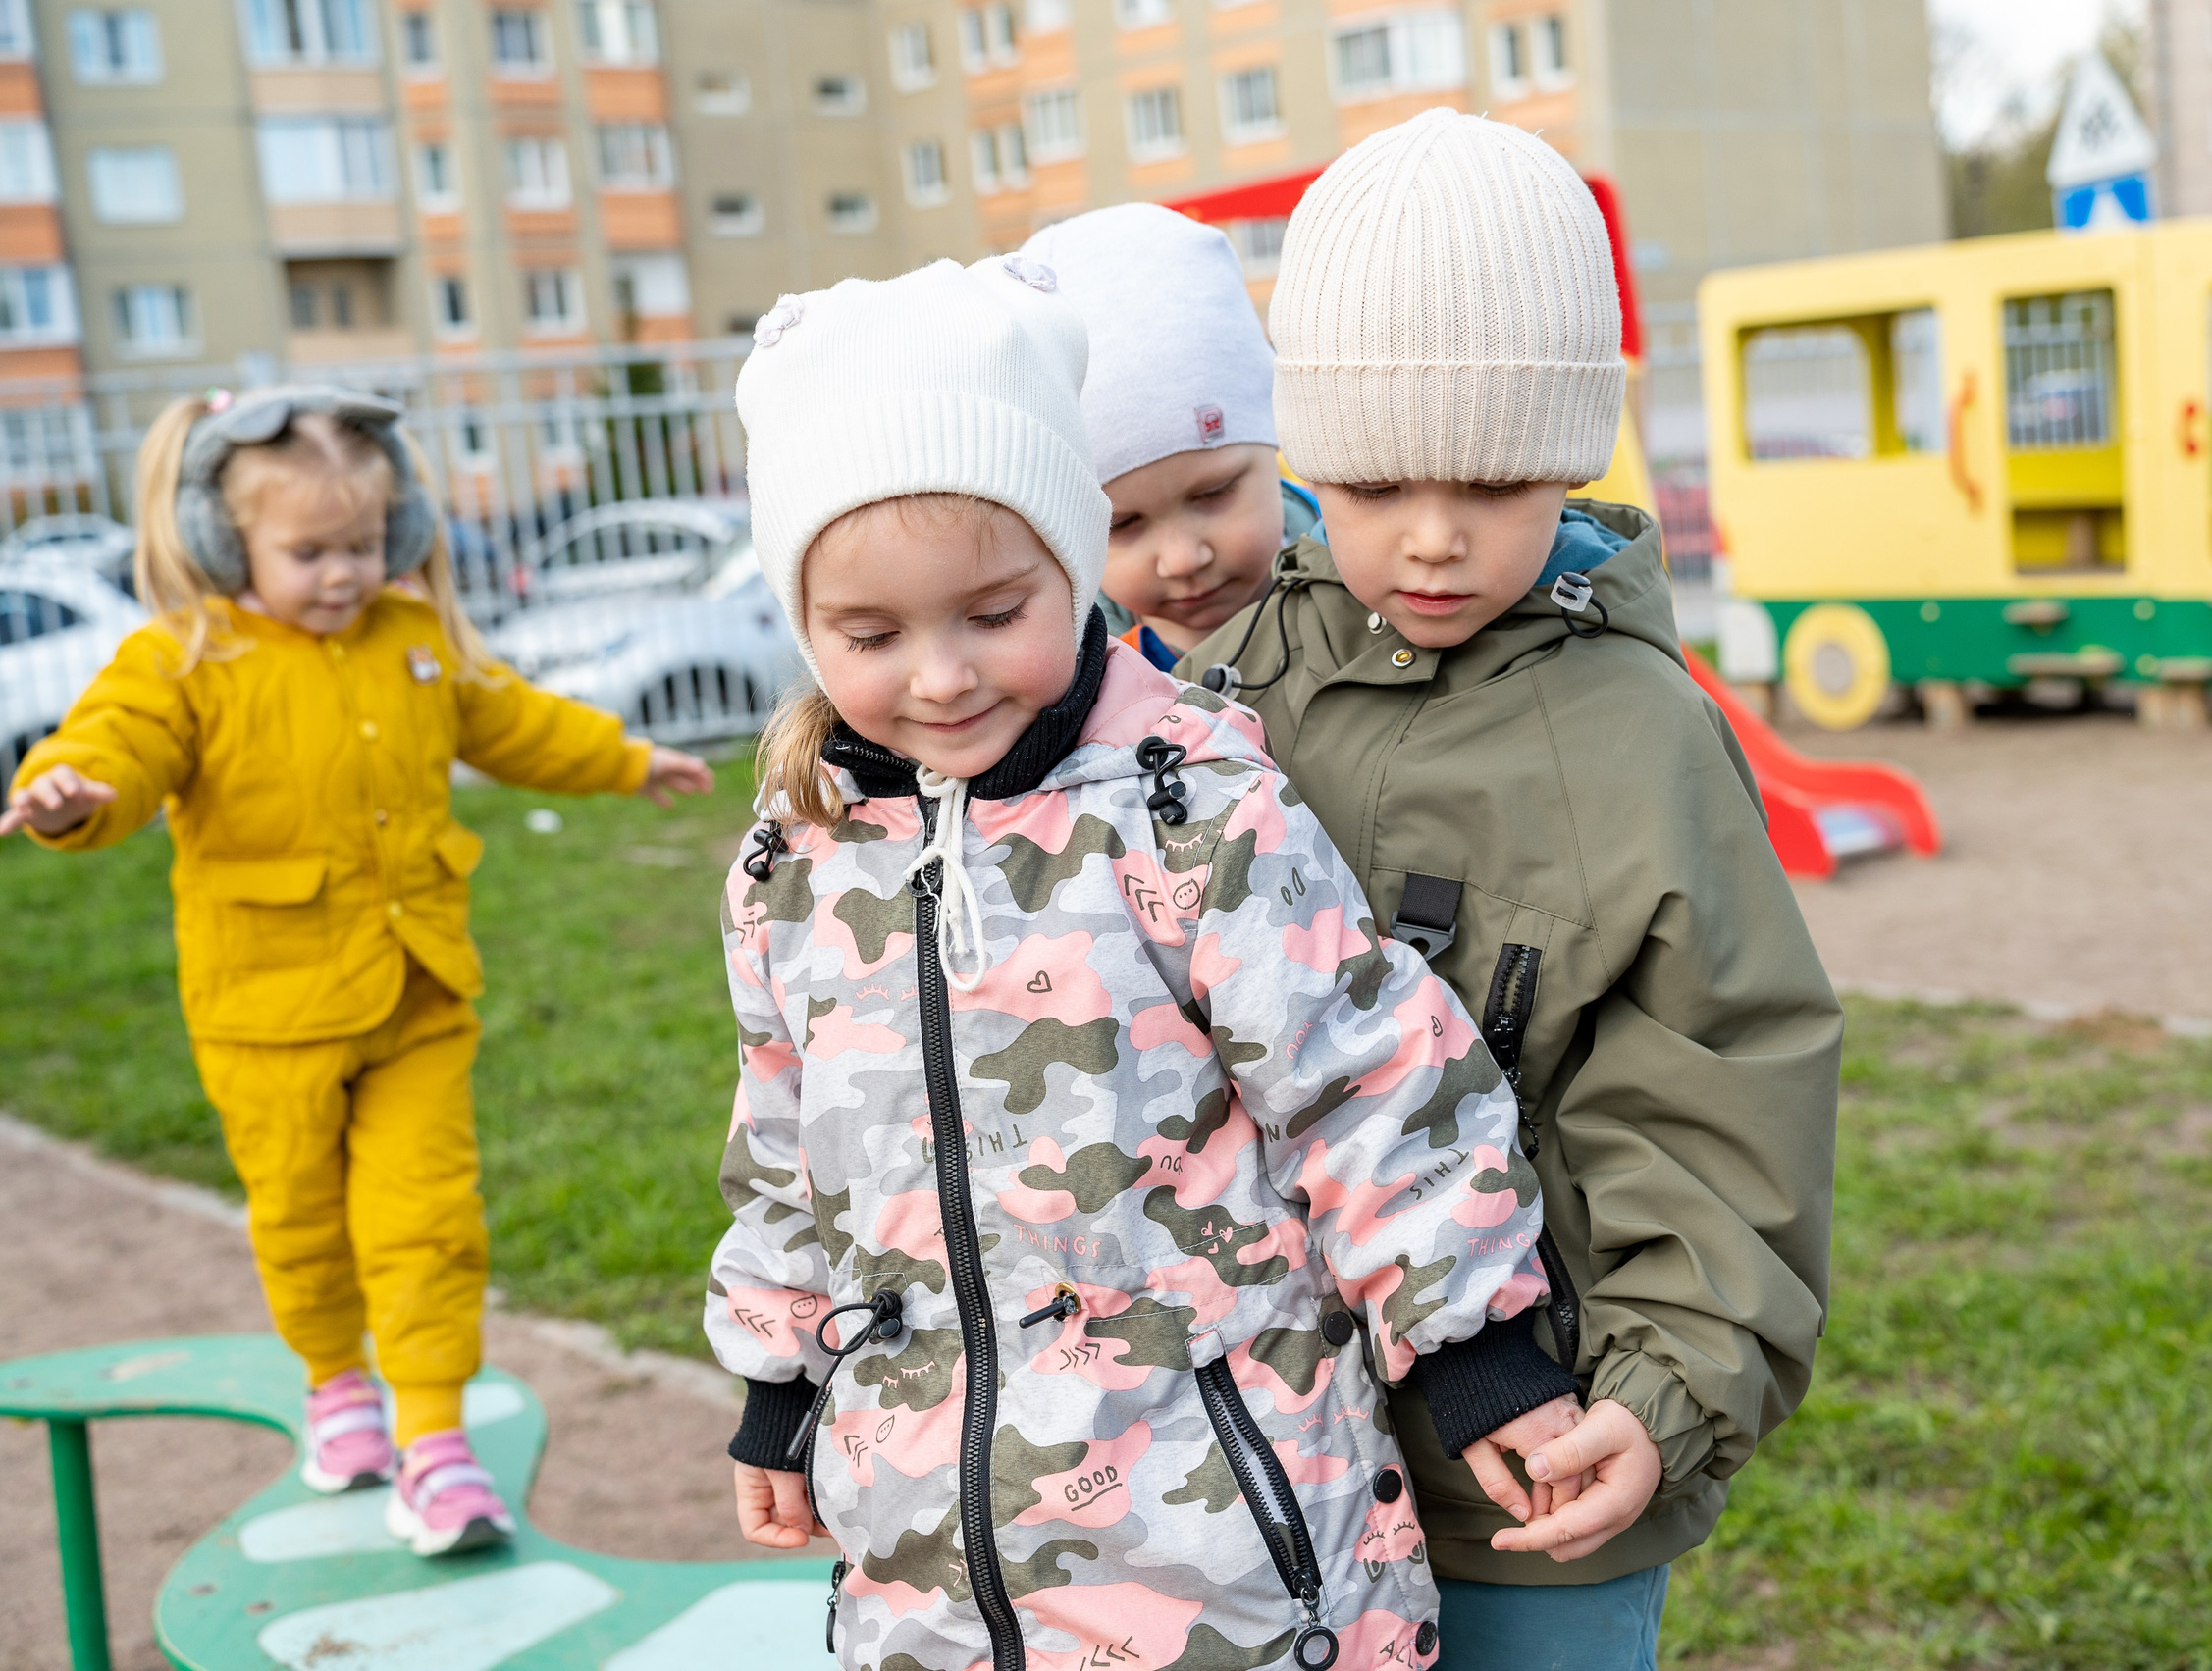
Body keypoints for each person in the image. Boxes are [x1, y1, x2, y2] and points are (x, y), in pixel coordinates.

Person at [709, 258, 1584, 1669]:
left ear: (1068, 559)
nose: (940, 675)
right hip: (931, 1550)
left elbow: (1363, 1068)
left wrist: (1474, 1345)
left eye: (993, 613)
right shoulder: (796, 859)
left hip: (1219, 1540)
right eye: (871, 636)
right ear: (807, 629)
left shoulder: (1185, 805)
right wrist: (777, 1366)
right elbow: (779, 1136)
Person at [1175, 110, 1843, 1671]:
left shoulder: (1642, 737)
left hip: (1527, 1471)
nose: (1428, 535)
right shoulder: (1217, 698)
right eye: (1372, 476)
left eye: (1490, 477)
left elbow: (1715, 1088)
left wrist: (1664, 1390)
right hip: (1233, 1449)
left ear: (1572, 447)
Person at [1, 388, 714, 1556]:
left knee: (429, 1219)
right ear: (229, 544)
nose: (345, 572)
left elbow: (512, 719)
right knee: (300, 1221)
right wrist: (72, 792)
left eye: (366, 543)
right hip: (264, 1014)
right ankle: (336, 1381)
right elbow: (115, 740)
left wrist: (623, 758)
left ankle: (435, 1441)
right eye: (310, 551)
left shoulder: (413, 638)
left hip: (417, 987)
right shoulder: (184, 657)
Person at [1019, 203, 1318, 672]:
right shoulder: (1067, 681)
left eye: (1214, 493)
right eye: (1123, 525)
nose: (1182, 560)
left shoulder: (1379, 591)